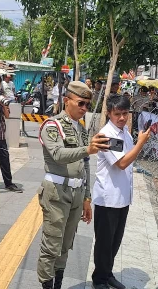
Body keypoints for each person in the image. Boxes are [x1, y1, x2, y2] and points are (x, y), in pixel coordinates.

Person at [37, 81, 110, 289]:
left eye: (88, 104)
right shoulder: (52, 125)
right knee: (52, 244)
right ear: (66, 100)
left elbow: (85, 166)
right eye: (81, 103)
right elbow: (58, 155)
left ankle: (58, 284)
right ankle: (46, 285)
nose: (84, 108)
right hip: (56, 193)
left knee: (65, 245)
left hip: (76, 193)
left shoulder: (81, 128)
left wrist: (87, 198)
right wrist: (87, 149)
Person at [91, 95, 151, 289]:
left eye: (125, 113)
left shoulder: (124, 132)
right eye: (117, 114)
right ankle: (99, 279)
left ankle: (107, 274)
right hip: (108, 198)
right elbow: (123, 163)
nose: (122, 118)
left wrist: (137, 140)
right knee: (104, 243)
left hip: (122, 197)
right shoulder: (107, 135)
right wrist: (141, 142)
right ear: (109, 113)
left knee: (115, 241)